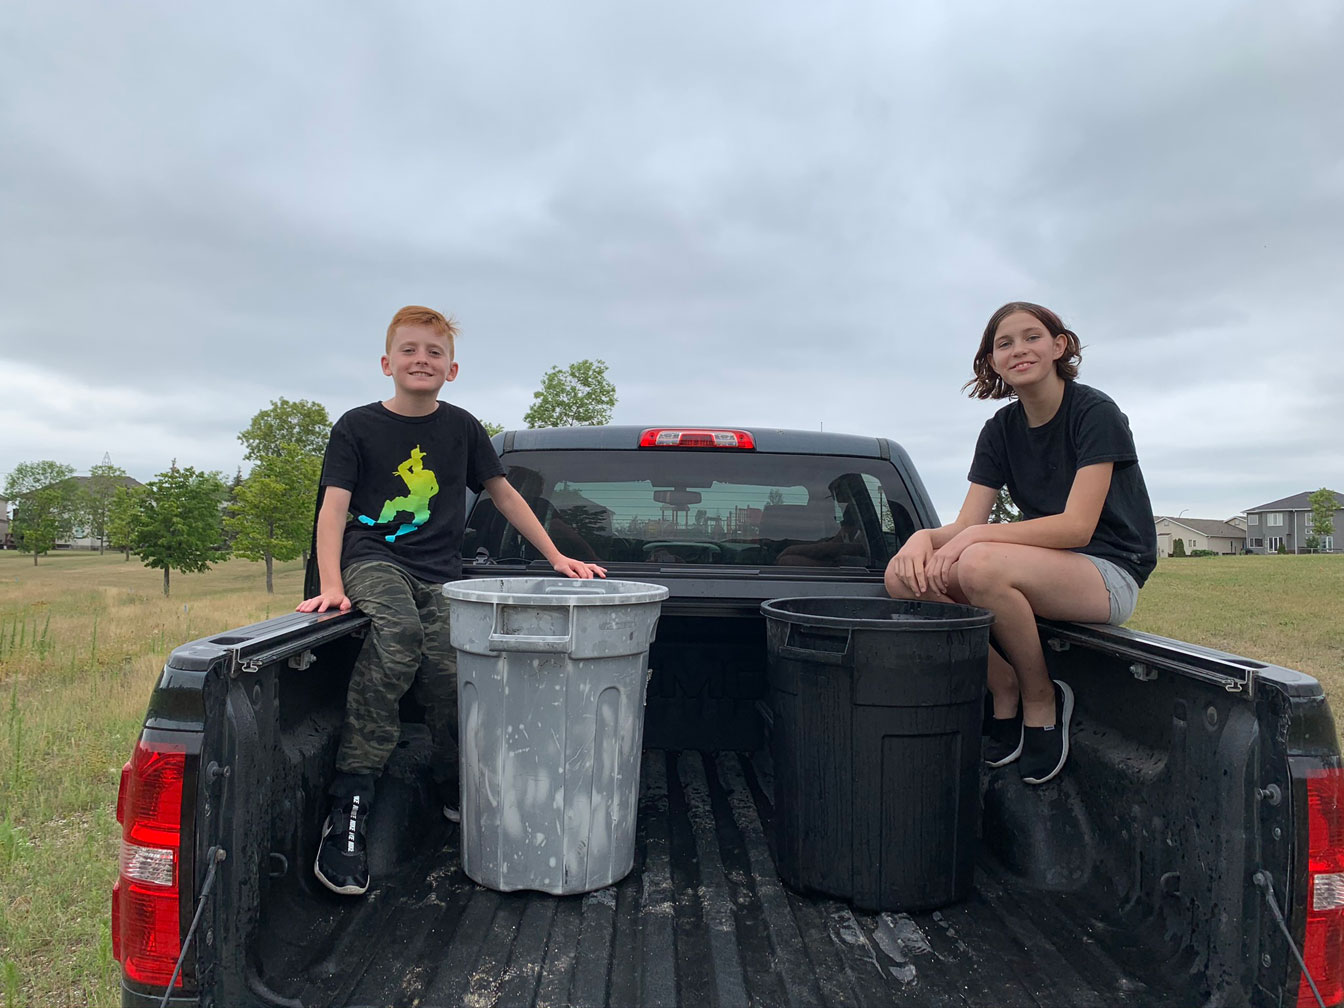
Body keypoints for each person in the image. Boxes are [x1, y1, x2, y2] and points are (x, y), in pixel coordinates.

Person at [298, 305, 606, 896]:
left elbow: (506, 495)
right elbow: (333, 508)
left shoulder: (462, 427)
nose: (422, 360)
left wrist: (556, 558)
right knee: (399, 641)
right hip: (372, 560)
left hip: (441, 574)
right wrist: (330, 585)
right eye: (410, 351)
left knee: (454, 672)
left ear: (452, 369)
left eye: (434, 353)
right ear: (387, 363)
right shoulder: (356, 427)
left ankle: (451, 785)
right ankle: (351, 804)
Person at [884, 302, 1156, 785]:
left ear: (1059, 346)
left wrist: (974, 537)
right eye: (1004, 343)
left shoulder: (1095, 413)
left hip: (1108, 571)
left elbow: (1076, 529)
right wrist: (922, 538)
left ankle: (1041, 698)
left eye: (1032, 337)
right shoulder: (999, 431)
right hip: (1042, 567)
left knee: (980, 564)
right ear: (992, 362)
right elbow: (968, 521)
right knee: (903, 578)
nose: (1019, 350)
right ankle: (1001, 683)